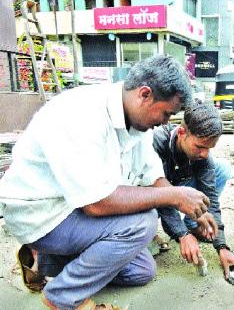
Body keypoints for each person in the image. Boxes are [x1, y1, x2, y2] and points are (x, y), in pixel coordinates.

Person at [0, 55, 215, 309]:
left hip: (71, 209)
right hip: (42, 215)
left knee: (142, 271)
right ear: (145, 94)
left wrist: (191, 206)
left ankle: (44, 263)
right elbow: (96, 203)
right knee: (141, 224)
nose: (165, 122)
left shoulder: (136, 123)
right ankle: (62, 296)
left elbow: (153, 176)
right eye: (166, 113)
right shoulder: (82, 115)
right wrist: (174, 197)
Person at [153, 102, 234, 279]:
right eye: (200, 147)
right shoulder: (157, 143)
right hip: (150, 194)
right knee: (150, 226)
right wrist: (181, 234)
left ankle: (195, 223)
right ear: (181, 133)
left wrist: (221, 247)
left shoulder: (203, 155)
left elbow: (211, 199)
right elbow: (158, 193)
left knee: (221, 169)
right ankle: (151, 234)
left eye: (209, 148)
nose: (205, 154)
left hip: (177, 189)